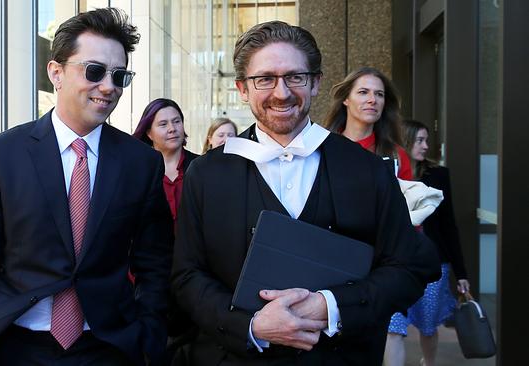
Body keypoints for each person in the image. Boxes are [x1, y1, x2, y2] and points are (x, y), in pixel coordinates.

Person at [171, 20, 440, 365]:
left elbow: (407, 267)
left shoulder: (367, 169)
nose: (281, 93)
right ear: (242, 88)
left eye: (295, 77)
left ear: (316, 83)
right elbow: (187, 276)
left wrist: (330, 306)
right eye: (264, 79)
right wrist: (251, 325)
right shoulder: (206, 174)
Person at [0, 8, 173, 366]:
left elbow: (155, 262)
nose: (108, 86)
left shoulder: (141, 162)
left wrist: (148, 335)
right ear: (56, 72)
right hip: (17, 346)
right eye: (95, 71)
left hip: (110, 346)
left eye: (119, 76)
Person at [383, 120, 470, 366]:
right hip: (394, 263)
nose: (426, 146)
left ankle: (428, 362)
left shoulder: (438, 175)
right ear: (406, 141)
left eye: (426, 140)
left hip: (432, 262)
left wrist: (461, 272)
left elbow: (449, 225)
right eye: (420, 140)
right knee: (394, 326)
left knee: (428, 325)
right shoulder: (389, 171)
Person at [323, 67, 413, 181]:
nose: (373, 100)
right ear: (346, 99)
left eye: (379, 94)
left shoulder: (397, 155)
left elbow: (407, 198)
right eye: (363, 92)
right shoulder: (322, 149)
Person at [133, 98, 199, 221]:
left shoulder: (200, 167)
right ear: (149, 133)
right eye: (163, 124)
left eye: (177, 121)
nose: (172, 128)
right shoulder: (137, 172)